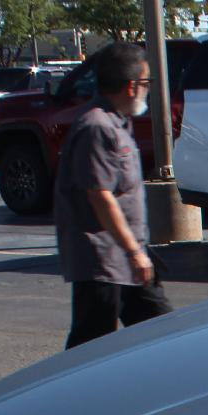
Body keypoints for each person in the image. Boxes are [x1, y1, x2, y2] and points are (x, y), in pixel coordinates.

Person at [55, 42, 172, 349]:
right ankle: (70, 396)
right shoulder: (96, 127)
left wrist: (136, 252)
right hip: (103, 262)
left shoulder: (117, 123)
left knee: (166, 332)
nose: (148, 91)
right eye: (146, 84)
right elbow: (100, 196)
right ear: (132, 86)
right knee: (90, 347)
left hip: (128, 259)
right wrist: (134, 251)